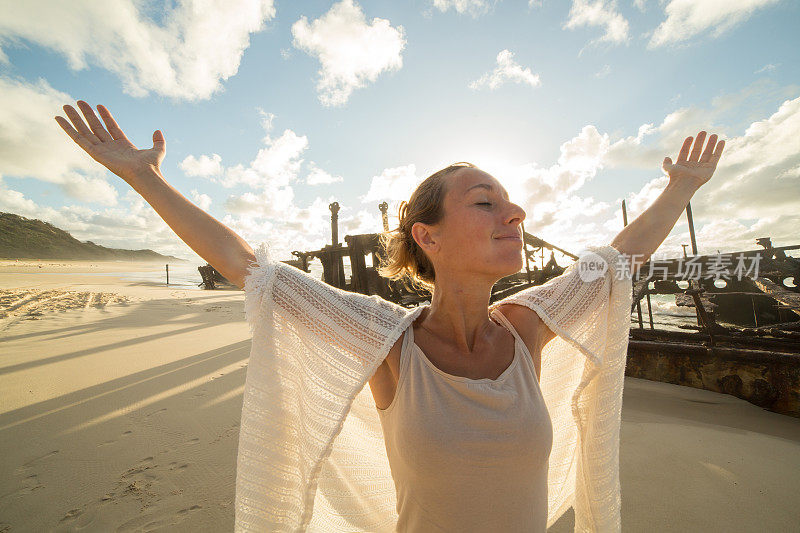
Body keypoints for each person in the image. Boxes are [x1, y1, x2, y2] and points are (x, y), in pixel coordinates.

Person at [55, 102, 724, 532]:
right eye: (486, 202)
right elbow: (249, 268)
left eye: (513, 203)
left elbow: (615, 263)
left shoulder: (527, 329)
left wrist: (680, 187)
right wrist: (142, 177)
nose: (514, 214)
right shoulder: (390, 345)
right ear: (428, 237)